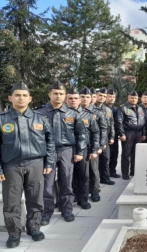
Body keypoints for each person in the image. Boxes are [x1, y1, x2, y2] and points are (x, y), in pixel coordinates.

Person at [0, 82, 55, 248]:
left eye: (24, 95)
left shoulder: (41, 118)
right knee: (11, 202)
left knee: (36, 198)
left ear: (30, 98)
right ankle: (14, 233)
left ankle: (34, 228)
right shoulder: (2, 120)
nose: (21, 98)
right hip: (11, 165)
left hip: (35, 163)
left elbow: (50, 141)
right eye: (17, 95)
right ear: (10, 98)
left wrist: (49, 161)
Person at [36, 80, 86, 225]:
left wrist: (80, 152)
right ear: (49, 95)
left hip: (67, 151)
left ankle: (67, 209)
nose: (58, 96)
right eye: (55, 93)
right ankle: (47, 211)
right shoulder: (39, 113)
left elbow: (80, 134)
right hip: (46, 153)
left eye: (61, 94)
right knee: (47, 183)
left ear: (65, 96)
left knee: (67, 181)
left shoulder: (73, 113)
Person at [66, 86, 100, 210]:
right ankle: (69, 198)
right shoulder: (62, 114)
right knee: (67, 176)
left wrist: (94, 150)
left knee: (83, 176)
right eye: (71, 98)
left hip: (84, 149)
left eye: (76, 98)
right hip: (67, 148)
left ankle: (83, 198)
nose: (73, 100)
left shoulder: (88, 115)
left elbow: (95, 132)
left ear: (79, 100)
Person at [117, 90, 146, 180]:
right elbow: (119, 122)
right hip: (128, 133)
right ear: (128, 98)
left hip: (138, 133)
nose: (134, 99)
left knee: (136, 154)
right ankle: (125, 173)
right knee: (126, 154)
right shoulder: (123, 108)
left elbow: (143, 122)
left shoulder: (140, 108)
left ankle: (133, 171)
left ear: (138, 99)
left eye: (135, 98)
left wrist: (144, 133)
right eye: (132, 97)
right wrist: (122, 134)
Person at [88, 87, 108, 202]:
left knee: (94, 170)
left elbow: (103, 129)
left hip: (94, 145)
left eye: (92, 96)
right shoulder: (77, 110)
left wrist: (101, 145)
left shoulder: (98, 111)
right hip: (80, 146)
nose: (90, 99)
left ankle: (95, 190)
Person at [95, 87, 115, 185]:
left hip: (105, 137)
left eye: (104, 96)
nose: (102, 98)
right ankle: (95, 180)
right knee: (94, 161)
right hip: (94, 137)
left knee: (105, 158)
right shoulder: (91, 108)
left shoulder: (108, 109)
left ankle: (105, 177)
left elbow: (111, 124)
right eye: (100, 95)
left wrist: (112, 137)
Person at [105, 88, 121, 178]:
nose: (111, 98)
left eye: (113, 97)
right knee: (106, 155)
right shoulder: (103, 108)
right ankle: (106, 173)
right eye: (110, 96)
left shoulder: (116, 108)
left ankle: (112, 171)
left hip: (114, 135)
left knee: (114, 153)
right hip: (106, 135)